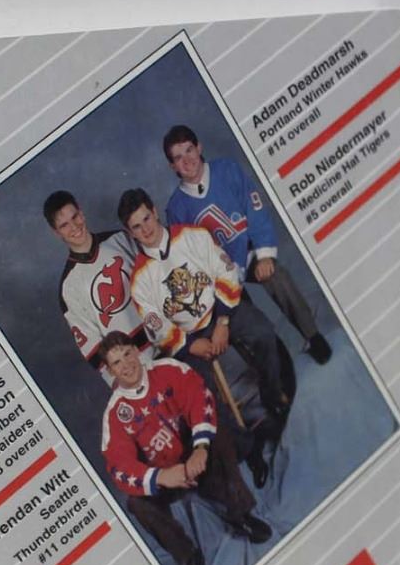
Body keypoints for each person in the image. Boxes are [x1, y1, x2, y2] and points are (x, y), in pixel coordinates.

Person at [117, 188, 294, 485]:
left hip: (222, 311)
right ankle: (248, 449)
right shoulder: (139, 279)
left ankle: (272, 394)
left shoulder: (193, 236)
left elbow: (226, 274)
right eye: (136, 226)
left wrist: (223, 322)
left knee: (262, 332)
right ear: (129, 232)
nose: (145, 229)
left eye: (146, 218)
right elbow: (159, 328)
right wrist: (190, 344)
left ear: (155, 212)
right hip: (189, 337)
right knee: (201, 393)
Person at [97, 332, 270, 565]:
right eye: (117, 362)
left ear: (136, 351)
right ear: (110, 372)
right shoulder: (114, 414)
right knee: (135, 503)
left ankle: (240, 514)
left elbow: (200, 397)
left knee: (217, 433)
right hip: (166, 478)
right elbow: (119, 467)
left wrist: (200, 447)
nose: (126, 364)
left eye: (128, 354)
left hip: (194, 458)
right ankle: (190, 558)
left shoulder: (168, 369)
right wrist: (161, 477)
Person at [162, 124, 331, 364]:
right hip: (219, 274)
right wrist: (218, 293)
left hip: (249, 253)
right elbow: (190, 259)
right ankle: (274, 365)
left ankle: (313, 337)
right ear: (172, 166)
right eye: (179, 158)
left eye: (189, 150)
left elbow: (255, 210)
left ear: (199, 147)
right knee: (233, 318)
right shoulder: (176, 208)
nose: (187, 160)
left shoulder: (227, 170)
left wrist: (264, 254)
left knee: (277, 276)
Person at [45, 190, 151, 382]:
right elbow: (94, 349)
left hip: (169, 338)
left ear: (81, 213)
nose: (74, 226)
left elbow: (155, 278)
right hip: (136, 368)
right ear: (56, 232)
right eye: (64, 225)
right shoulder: (69, 287)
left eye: (75, 217)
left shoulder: (120, 239)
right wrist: (121, 385)